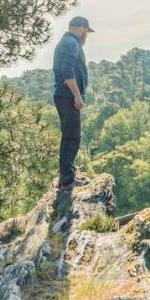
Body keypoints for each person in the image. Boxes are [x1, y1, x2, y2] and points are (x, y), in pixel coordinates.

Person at [52, 15, 94, 188]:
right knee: (72, 137)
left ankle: (66, 177)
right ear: (82, 28)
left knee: (68, 136)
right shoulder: (71, 43)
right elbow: (67, 69)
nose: (87, 35)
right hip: (68, 96)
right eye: (86, 31)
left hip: (64, 95)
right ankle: (68, 181)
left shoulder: (67, 42)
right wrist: (77, 94)